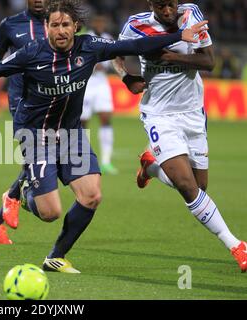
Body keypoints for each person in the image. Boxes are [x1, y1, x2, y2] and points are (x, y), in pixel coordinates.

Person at [0, 0, 207, 273]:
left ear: (76, 27)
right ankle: (25, 194)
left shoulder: (90, 48)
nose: (61, 30)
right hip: (37, 137)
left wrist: (179, 36)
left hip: (72, 135)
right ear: (46, 27)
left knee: (92, 195)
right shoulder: (31, 53)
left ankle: (56, 257)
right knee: (50, 213)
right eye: (55, 25)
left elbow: (133, 45)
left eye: (66, 25)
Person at [114, 0, 247, 272]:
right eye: (161, 5)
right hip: (159, 115)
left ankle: (150, 167)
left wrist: (170, 57)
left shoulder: (191, 15)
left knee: (200, 187)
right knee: (188, 188)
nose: (167, 11)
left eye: (171, 4)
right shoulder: (136, 25)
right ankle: (236, 245)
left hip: (193, 113)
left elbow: (208, 61)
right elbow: (115, 53)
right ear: (151, 3)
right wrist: (126, 77)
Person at [0, 0, 49, 245]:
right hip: (22, 101)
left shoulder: (59, 23)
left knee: (48, 159)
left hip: (53, 100)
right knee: (37, 158)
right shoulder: (10, 25)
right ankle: (12, 199)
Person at [81, 13, 118, 175]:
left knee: (105, 118)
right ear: (93, 22)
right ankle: (83, 158)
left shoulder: (108, 37)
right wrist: (93, 65)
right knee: (83, 121)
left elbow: (113, 58)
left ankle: (106, 161)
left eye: (103, 21)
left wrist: (107, 66)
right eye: (98, 21)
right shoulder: (85, 38)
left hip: (102, 83)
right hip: (87, 84)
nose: (101, 24)